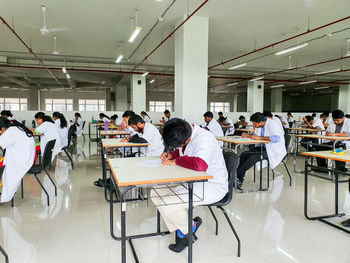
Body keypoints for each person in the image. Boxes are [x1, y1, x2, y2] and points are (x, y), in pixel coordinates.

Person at [154, 118, 228, 252]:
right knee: (156, 192)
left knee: (167, 206)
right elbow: (184, 151)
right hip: (192, 180)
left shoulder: (205, 139)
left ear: (187, 140)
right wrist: (171, 155)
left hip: (211, 185)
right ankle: (189, 227)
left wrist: (176, 162)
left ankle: (186, 234)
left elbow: (200, 164)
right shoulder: (186, 132)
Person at [236, 112, 286, 188]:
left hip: (273, 151)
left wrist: (259, 138)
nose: (254, 125)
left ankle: (237, 178)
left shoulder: (272, 124)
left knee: (252, 158)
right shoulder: (260, 126)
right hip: (264, 148)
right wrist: (248, 135)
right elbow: (256, 135)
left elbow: (276, 138)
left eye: (255, 124)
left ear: (261, 122)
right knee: (244, 154)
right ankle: (238, 177)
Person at [0, 117, 35, 203]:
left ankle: (5, 196)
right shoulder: (16, 128)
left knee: (5, 170)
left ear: (3, 128)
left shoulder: (10, 132)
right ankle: (6, 194)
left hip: (21, 161)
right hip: (26, 158)